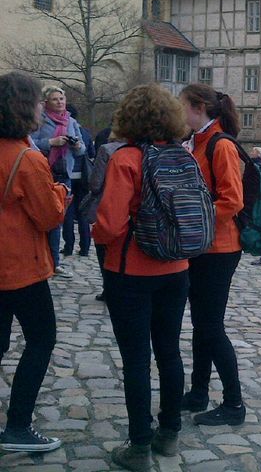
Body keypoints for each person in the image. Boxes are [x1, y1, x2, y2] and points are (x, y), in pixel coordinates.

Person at [92, 84, 192, 470]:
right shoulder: (183, 157)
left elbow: (110, 225)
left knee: (136, 359)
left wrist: (95, 235)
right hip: (177, 269)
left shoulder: (127, 158)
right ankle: (169, 436)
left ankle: (138, 447)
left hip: (130, 271)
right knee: (169, 351)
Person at [0, 72, 67, 453]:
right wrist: (59, 192)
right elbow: (49, 216)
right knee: (41, 339)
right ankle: (18, 426)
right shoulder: (27, 158)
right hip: (20, 266)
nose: (44, 107)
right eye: (40, 101)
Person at [179, 84, 247, 426]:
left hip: (219, 248)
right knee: (201, 325)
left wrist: (191, 220)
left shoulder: (220, 145)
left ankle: (234, 404)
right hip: (203, 247)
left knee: (210, 326)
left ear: (199, 107)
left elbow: (232, 200)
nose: (181, 112)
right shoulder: (201, 141)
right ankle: (198, 392)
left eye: (184, 107)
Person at [30, 86, 86, 279]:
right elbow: (31, 143)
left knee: (58, 220)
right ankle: (41, 260)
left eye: (62, 98)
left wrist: (77, 145)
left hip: (66, 175)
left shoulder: (71, 121)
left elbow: (82, 150)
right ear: (47, 103)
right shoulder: (40, 120)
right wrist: (51, 143)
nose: (60, 102)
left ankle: (54, 262)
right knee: (44, 219)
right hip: (45, 173)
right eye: (55, 99)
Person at [80, 132, 125, 302]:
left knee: (103, 248)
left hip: (107, 205)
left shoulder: (107, 149)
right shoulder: (146, 148)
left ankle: (109, 287)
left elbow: (95, 183)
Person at [61, 104, 95, 258]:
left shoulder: (61, 130)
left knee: (68, 212)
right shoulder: (85, 133)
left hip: (67, 174)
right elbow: (91, 153)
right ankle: (85, 248)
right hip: (83, 176)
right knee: (82, 213)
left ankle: (68, 246)